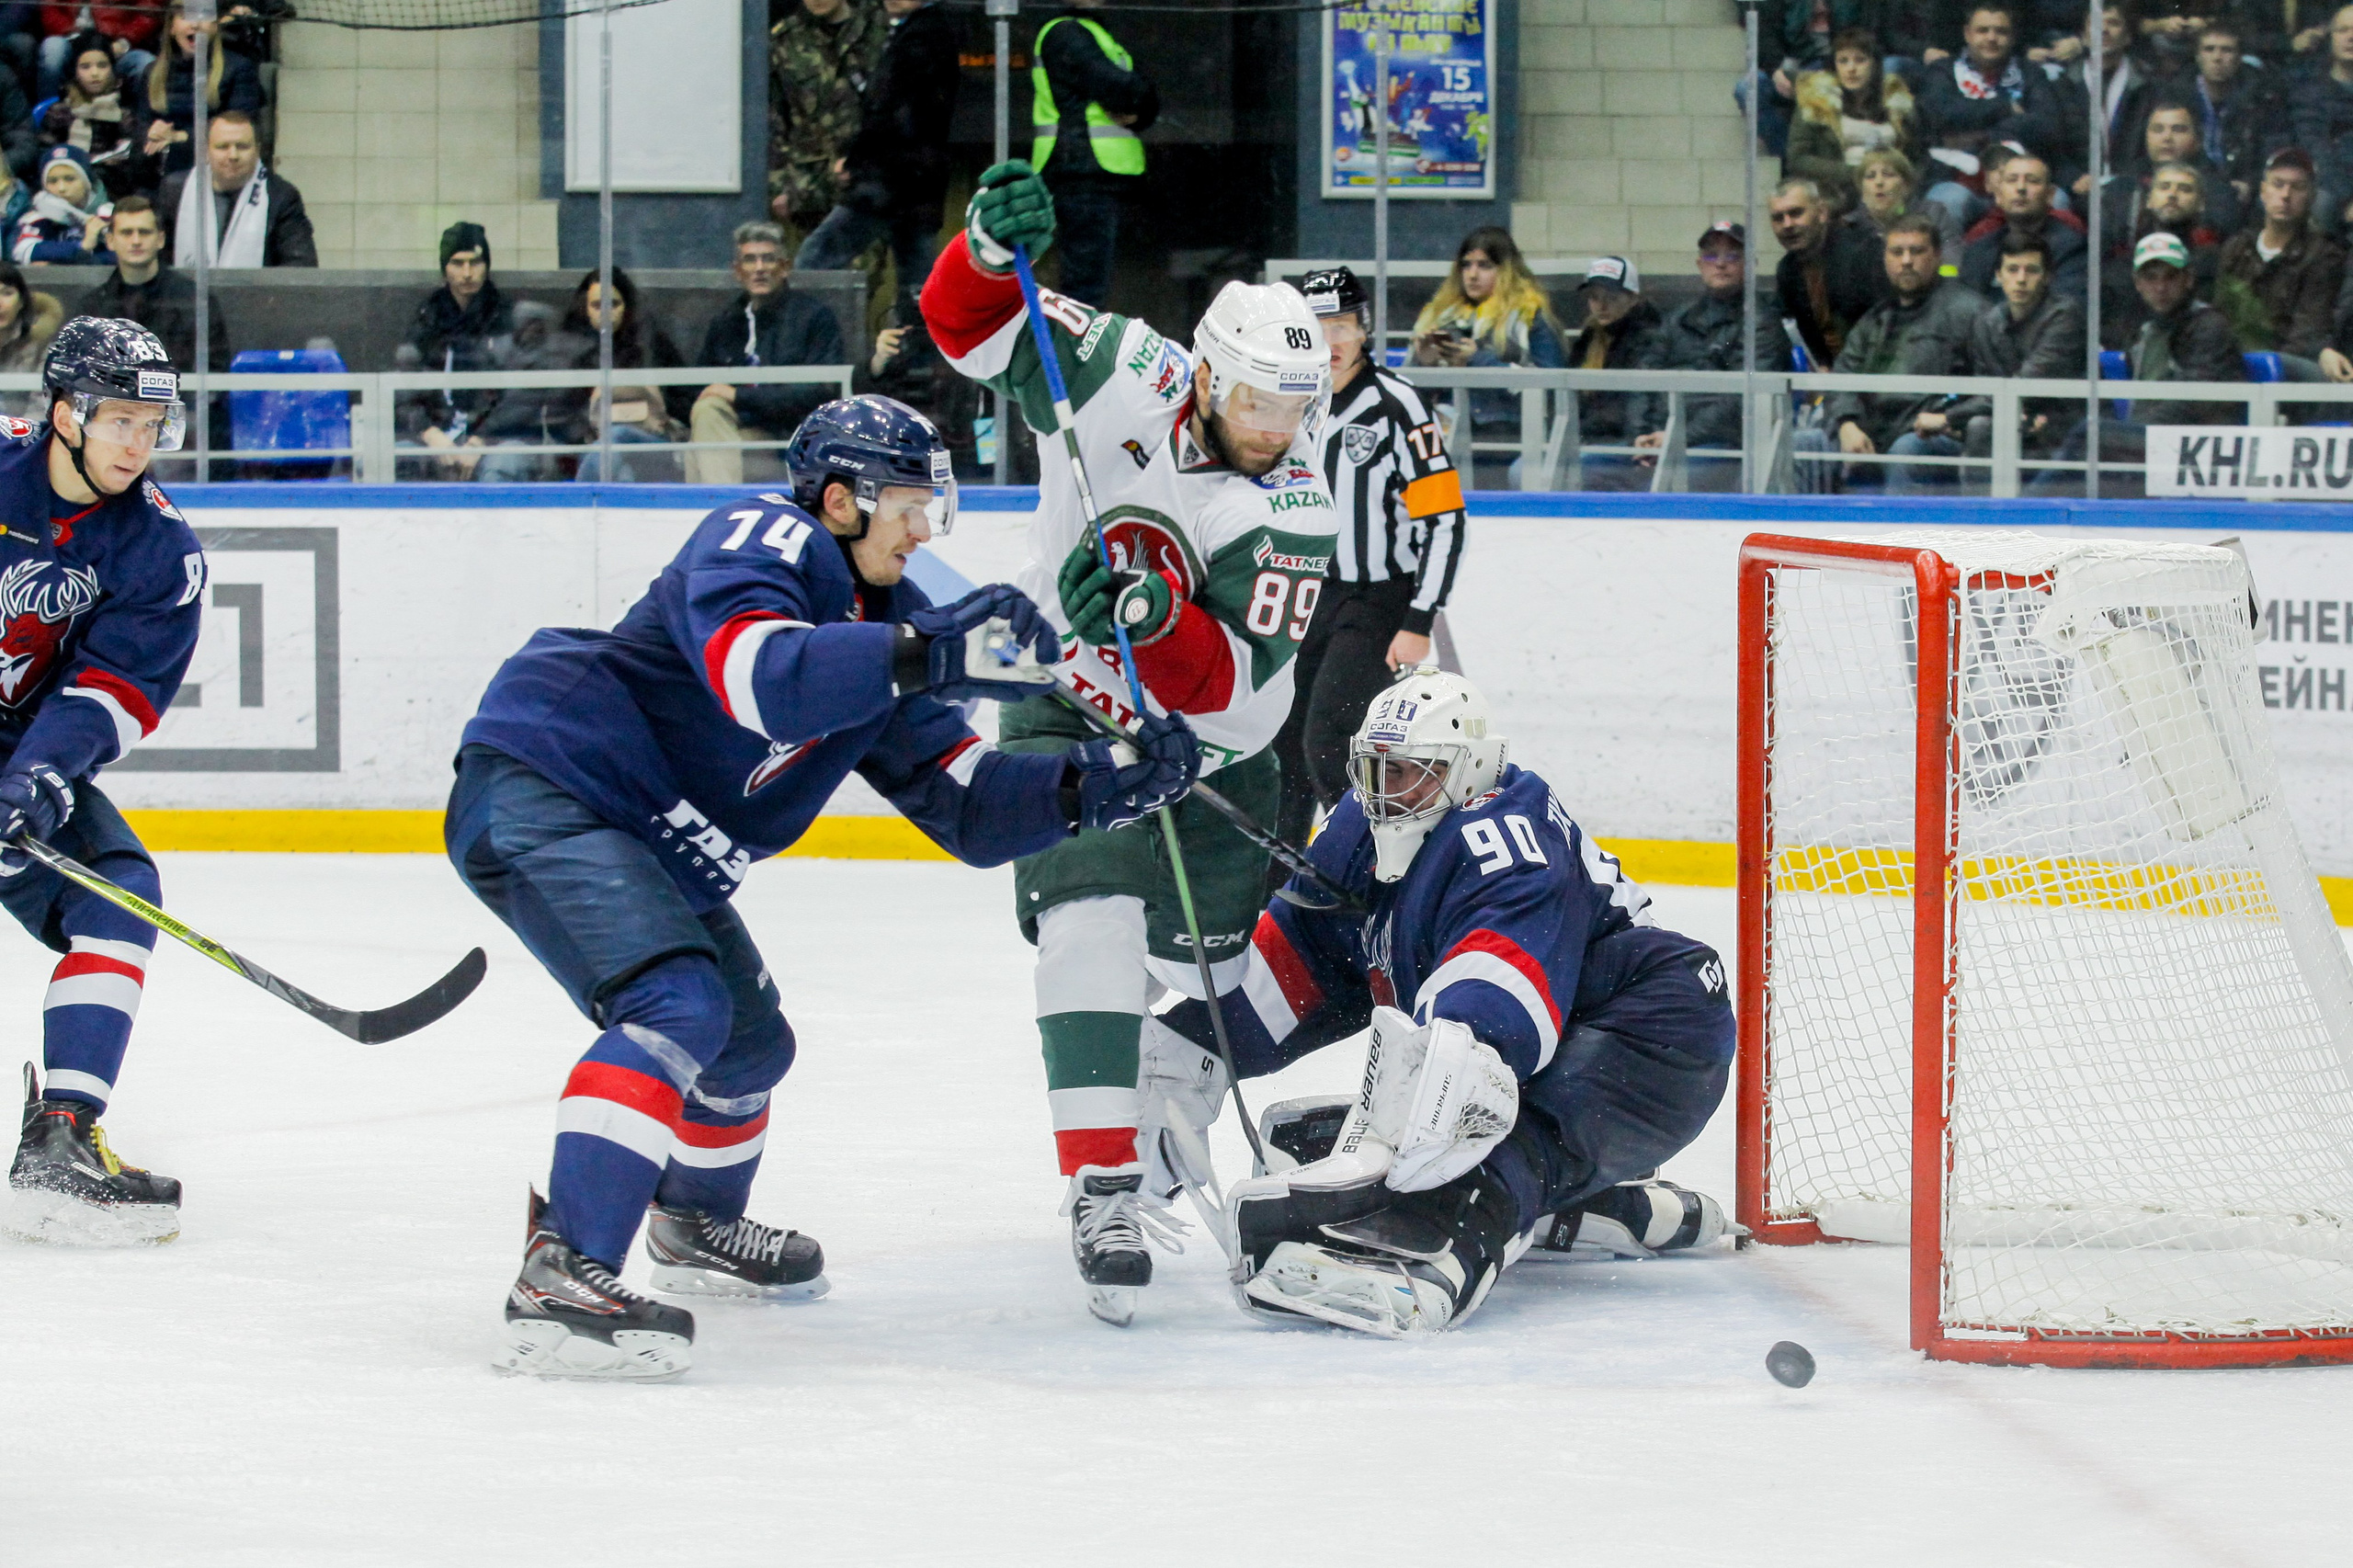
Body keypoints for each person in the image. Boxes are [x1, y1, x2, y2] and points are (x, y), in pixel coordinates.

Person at [449, 393, 1199, 1379]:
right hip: (558, 779)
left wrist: (1093, 786)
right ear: (839, 498)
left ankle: (692, 1220)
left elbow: (966, 805)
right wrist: (933, 655)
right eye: (907, 504)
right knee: (677, 1003)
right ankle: (564, 1265)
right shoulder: (766, 534)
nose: (924, 527)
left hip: (647, 835)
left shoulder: (889, 627)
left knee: (750, 1046)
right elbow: (758, 672)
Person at [921, 161, 1337, 1325]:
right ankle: (1101, 1183)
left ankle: (1176, 1116)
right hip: (1072, 707)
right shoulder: (1118, 366)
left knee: (1220, 983)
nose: (1272, 427)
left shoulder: (1293, 504)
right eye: (1253, 400)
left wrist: (1154, 619)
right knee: (1085, 925)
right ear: (1203, 372)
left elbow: (1240, 697)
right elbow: (965, 327)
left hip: (1215, 754)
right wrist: (987, 253)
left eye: (1293, 407)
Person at [1150, 669, 1737, 1337]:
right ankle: (1591, 1206)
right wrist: (1191, 1048)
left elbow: (1486, 1027)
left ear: (1472, 773)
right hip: (1561, 1042)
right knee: (1315, 1142)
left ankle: (1433, 1254)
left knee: (1468, 1130)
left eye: (1411, 773)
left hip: (1658, 1042)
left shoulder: (1504, 842)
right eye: (1377, 770)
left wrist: (1384, 1151)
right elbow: (1312, 957)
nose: (1386, 793)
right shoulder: (1365, 821)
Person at [0, 317, 206, 1250]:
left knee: (118, 897)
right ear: (63, 412)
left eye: (151, 423)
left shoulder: (160, 550)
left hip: (15, 737)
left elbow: (112, 689)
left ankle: (63, 1133)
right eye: (119, 417)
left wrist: (37, 774)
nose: (137, 441)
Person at [1271, 266, 1465, 882]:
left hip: (1378, 599)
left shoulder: (1396, 404)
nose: (1330, 340)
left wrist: (1418, 617)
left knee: (1330, 735)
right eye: (1316, 325)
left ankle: (1364, 865)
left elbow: (1445, 518)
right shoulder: (1288, 402)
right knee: (1284, 742)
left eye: (1342, 325)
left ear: (1364, 330)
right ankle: (1278, 885)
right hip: (1304, 595)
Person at [2035, 231, 2247, 495]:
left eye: (2171, 277)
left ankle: (2023, 515)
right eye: (2151, 277)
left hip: (2198, 446)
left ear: (2188, 279)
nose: (2160, 288)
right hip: (2155, 440)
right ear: (2137, 282)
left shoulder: (2210, 328)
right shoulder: (2141, 328)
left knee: (2089, 436)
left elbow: (2193, 402)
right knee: (2062, 429)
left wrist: (2129, 432)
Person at [793, 0, 959, 312]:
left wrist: (856, 162)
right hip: (920, 181)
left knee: (814, 261)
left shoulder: (918, 40)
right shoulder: (927, 32)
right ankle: (918, 352)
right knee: (917, 283)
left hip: (886, 180)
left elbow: (893, 115)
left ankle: (808, 341)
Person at [1808, 215, 1984, 491]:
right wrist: (1847, 424)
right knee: (1805, 444)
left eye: (1916, 251)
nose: (1906, 261)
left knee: (1908, 448)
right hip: (1873, 436)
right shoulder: (1875, 318)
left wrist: (1950, 420)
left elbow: (1990, 388)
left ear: (1937, 256)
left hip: (1929, 437)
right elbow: (1842, 379)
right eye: (1896, 252)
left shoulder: (1969, 312)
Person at [1632, 221, 1791, 489]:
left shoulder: (1762, 323)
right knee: (1595, 466)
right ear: (1699, 265)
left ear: (1750, 264)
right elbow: (1643, 381)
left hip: (1727, 446)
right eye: (1711, 256)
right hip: (1662, 438)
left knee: (1681, 479)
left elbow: (1741, 402)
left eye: (1732, 256)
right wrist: (1639, 435)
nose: (1720, 263)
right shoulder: (1676, 320)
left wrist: (1675, 436)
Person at [688, 221, 847, 486]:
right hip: (733, 431)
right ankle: (721, 500)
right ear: (738, 271)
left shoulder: (814, 317)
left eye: (768, 259)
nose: (759, 268)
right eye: (750, 260)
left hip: (790, 437)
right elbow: (698, 388)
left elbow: (822, 392)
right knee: (706, 412)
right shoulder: (726, 322)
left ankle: (717, 507)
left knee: (700, 445)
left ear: (784, 267)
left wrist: (739, 396)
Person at [1407, 225, 1564, 486]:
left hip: (1511, 430)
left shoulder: (1530, 318)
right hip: (1453, 426)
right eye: (1466, 265)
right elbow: (1410, 395)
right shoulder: (1443, 316)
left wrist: (1476, 360)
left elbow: (1552, 387)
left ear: (1506, 271)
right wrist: (1425, 364)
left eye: (1485, 266)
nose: (1472, 275)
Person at [1030, 0, 1156, 308]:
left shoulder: (1089, 31)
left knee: (1088, 285)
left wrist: (1142, 106)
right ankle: (1078, 353)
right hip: (1081, 171)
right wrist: (1143, 101)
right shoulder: (1067, 33)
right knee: (1085, 291)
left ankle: (1079, 349)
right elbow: (1122, 88)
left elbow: (1134, 93)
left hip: (1090, 171)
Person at [1941, 231, 2088, 481]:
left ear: (2047, 277)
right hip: (2007, 424)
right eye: (2012, 270)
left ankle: (1986, 515)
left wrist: (1949, 417)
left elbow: (2026, 386)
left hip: (2058, 433)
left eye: (2031, 270)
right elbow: (1985, 389)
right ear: (1998, 276)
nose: (2021, 279)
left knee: (1980, 427)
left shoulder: (2065, 316)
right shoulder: (1987, 322)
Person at [1916, 5, 2063, 230]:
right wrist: (2004, 108)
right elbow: (1941, 115)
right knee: (1945, 201)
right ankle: (1948, 267)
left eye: (2000, 31)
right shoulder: (1943, 71)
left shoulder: (2031, 73)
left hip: (2023, 180)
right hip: (1958, 181)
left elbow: (2046, 125)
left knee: (2058, 200)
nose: (1991, 38)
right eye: (1983, 30)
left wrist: (1982, 136)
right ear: (1967, 33)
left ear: (2013, 36)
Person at [395, 221, 513, 479]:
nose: (467, 273)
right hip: (438, 434)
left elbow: (519, 396)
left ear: (487, 266)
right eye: (457, 263)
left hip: (492, 438)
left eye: (475, 262)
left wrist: (482, 439)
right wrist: (430, 434)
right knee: (399, 458)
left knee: (502, 467)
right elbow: (404, 391)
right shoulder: (427, 318)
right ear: (444, 269)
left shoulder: (505, 318)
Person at [2215, 148, 2344, 378]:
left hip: (2288, 367)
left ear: (2312, 196)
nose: (2285, 195)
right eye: (2278, 184)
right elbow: (2219, 316)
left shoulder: (2324, 255)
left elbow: (2308, 333)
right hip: (2228, 364)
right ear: (2263, 191)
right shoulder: (2236, 248)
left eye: (2297, 187)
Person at [767, 0, 888, 242]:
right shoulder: (785, 39)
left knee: (863, 273)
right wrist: (778, 184)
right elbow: (772, 116)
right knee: (812, 272)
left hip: (866, 180)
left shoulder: (877, 32)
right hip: (808, 184)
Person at [563, 266, 690, 483]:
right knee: (621, 472)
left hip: (651, 444)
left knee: (617, 437)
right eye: (596, 305)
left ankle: (580, 507)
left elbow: (686, 403)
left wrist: (653, 401)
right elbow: (564, 416)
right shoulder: (572, 351)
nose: (605, 312)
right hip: (595, 445)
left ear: (627, 307)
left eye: (613, 304)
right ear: (584, 309)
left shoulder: (652, 345)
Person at [85, 196, 227, 374]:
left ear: (160, 239)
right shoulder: (92, 308)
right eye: (126, 233)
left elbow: (215, 377)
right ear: (110, 241)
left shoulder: (196, 302)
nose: (136, 241)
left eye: (144, 232)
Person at [1783, 28, 1921, 212]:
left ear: (1874, 64)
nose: (1851, 68)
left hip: (1892, 194)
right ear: (1834, 65)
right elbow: (1798, 159)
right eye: (1843, 61)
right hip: (1837, 194)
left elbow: (1916, 156)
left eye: (1860, 60)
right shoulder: (1815, 102)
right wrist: (1856, 173)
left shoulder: (1897, 102)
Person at [157, 109, 316, 268]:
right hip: (184, 293)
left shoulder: (281, 196)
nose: (233, 155)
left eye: (242, 147)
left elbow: (301, 266)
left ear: (257, 151)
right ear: (205, 152)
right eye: (222, 147)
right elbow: (157, 257)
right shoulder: (175, 190)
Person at [130, 3, 263, 183]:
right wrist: (151, 133)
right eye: (186, 17)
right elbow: (141, 126)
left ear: (215, 27)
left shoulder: (239, 69)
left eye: (204, 17)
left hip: (216, 173)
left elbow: (240, 128)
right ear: (171, 28)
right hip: (160, 173)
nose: (195, 24)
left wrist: (179, 137)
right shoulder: (151, 72)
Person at [1562, 256, 1662, 488]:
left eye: (1612, 297)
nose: (1601, 306)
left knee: (1578, 469)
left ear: (1632, 299)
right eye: (1594, 297)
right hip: (1591, 440)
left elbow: (1631, 407)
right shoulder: (1590, 337)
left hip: (1624, 444)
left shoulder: (1649, 339)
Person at [2098, 160, 2225, 343]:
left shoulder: (2213, 263)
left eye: (2185, 189)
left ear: (2201, 204)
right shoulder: (2121, 267)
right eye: (2164, 187)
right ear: (2148, 200)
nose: (2173, 195)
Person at [1769, 176, 1888, 368]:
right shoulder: (1787, 270)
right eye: (1778, 218)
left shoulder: (1865, 252)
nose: (1787, 224)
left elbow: (1885, 327)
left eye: (1796, 213)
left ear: (1822, 212)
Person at [1957, 150, 2089, 301]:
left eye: (2032, 181)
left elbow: (2064, 311)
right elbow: (1966, 311)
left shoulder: (2072, 247)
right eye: (2012, 180)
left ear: (2050, 195)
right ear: (1999, 196)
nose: (2021, 188)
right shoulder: (1979, 249)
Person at [2189, 21, 2290, 212]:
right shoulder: (2179, 95)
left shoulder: (2262, 97)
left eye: (2226, 50)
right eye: (2209, 49)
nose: (2217, 58)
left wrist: (2251, 182)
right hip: (2194, 180)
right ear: (2198, 57)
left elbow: (2273, 149)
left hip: (2245, 184)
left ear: (2239, 58)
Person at [2112, 95, 2245, 237]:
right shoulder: (2124, 184)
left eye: (2178, 129)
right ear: (2146, 137)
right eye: (2158, 129)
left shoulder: (2218, 190)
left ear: (2197, 140)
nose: (2167, 138)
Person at [1838, 145, 1965, 256]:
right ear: (1861, 188)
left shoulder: (1934, 215)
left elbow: (1951, 261)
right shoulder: (1849, 226)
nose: (1879, 182)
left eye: (1888, 174)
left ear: (1906, 185)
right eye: (1870, 177)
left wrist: (1942, 281)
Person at [2292, 4, 2353, 231]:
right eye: (2343, 30)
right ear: (2330, 37)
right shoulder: (2310, 91)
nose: (2351, 37)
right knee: (2321, 203)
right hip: (2331, 184)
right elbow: (2315, 148)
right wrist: (2348, 197)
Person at [39, 34, 131, 164]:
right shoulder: (60, 113)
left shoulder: (123, 112)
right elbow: (46, 153)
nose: (94, 73)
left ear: (112, 69)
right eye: (85, 67)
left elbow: (130, 154)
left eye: (102, 65)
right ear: (75, 71)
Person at [34, 7, 158, 104]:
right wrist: (72, 35)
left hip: (117, 43)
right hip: (70, 40)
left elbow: (149, 11)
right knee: (52, 49)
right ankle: (48, 115)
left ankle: (141, 121)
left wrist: (125, 41)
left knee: (146, 63)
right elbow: (49, 9)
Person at [12, 142, 108, 265]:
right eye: (52, 181)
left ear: (87, 182)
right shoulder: (37, 217)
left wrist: (57, 261)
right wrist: (82, 246)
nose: (61, 188)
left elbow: (124, 255)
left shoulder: (108, 214)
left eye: (69, 179)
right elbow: (23, 250)